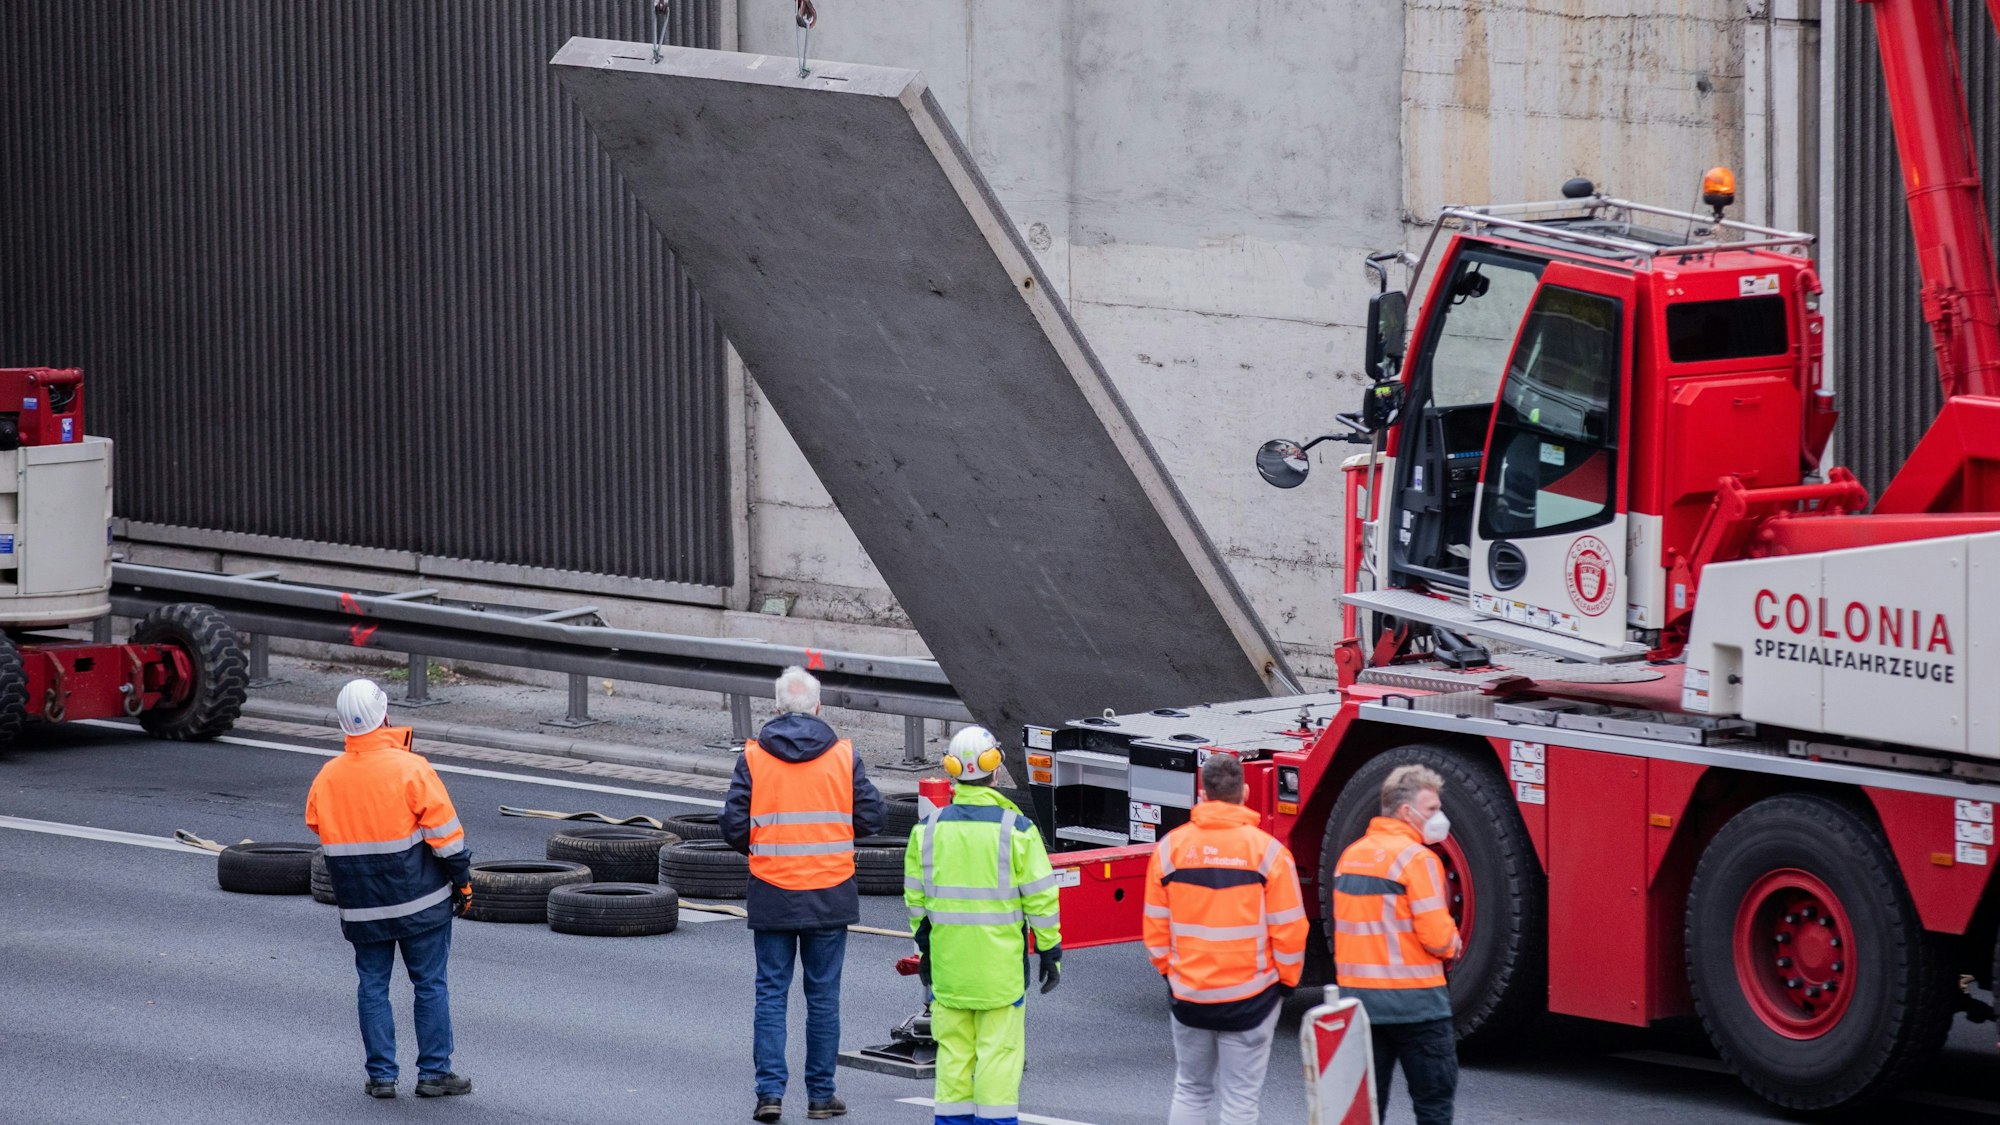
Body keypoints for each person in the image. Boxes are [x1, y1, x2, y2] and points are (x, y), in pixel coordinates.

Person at [721, 666, 886, 1123]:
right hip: (830, 892)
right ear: (818, 707)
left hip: (773, 891)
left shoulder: (754, 757)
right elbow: (873, 817)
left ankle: (769, 1095)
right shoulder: (842, 756)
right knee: (823, 998)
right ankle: (820, 1097)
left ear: (776, 708)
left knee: (771, 994)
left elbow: (733, 826)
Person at [304, 678, 474, 1100]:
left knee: (373, 987)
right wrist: (463, 883)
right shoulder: (411, 768)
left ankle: (381, 1076)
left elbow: (317, 824)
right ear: (385, 715)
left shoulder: (328, 778)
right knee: (430, 984)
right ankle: (434, 1073)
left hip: (362, 905)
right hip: (420, 901)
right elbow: (447, 837)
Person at [904, 727, 1062, 1125]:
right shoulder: (1017, 830)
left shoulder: (927, 831)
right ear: (995, 768)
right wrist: (1049, 951)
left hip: (950, 972)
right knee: (998, 1059)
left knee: (954, 1059)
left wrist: (927, 948)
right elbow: (1042, 899)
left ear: (953, 771)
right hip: (1000, 975)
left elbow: (915, 901)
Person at [1144, 752, 1308, 1125]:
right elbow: (1291, 929)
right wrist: (1285, 983)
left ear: (1202, 795)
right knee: (1240, 1103)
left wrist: (1171, 973)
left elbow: (1155, 927)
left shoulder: (1170, 849)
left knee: (1190, 1089)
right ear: (1245, 792)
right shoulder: (1269, 854)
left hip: (1190, 993)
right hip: (1251, 998)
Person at [1331, 763, 1463, 1125]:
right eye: (1433, 809)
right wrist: (1454, 943)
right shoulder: (1418, 859)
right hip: (1418, 1006)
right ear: (1407, 812)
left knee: (1368, 1111)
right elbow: (1437, 938)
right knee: (1433, 1107)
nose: (1439, 817)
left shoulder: (1351, 857)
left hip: (1360, 1004)